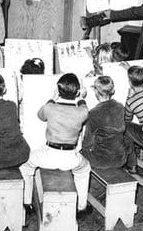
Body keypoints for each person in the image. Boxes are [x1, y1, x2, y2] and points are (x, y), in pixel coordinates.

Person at [19, 73, 92, 219]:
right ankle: (81, 207)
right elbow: (83, 105)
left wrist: (52, 98)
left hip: (48, 155)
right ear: (77, 92)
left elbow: (40, 115)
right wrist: (81, 97)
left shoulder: (50, 108)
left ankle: (27, 203)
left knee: (25, 166)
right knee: (84, 170)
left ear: (58, 91)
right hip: (70, 157)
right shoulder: (82, 112)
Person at [80, 76, 126, 169]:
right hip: (120, 158)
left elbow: (87, 143)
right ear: (112, 91)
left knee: (78, 152)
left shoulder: (93, 113)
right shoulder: (120, 107)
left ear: (96, 92)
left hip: (101, 161)